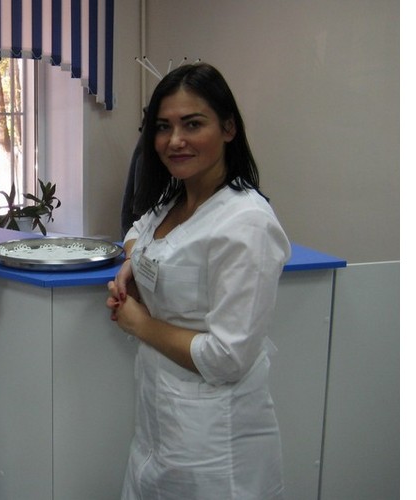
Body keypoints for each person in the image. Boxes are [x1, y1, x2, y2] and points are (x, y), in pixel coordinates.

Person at [106, 62, 291, 499]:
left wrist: (139, 324)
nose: (175, 140)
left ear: (228, 128)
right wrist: (134, 261)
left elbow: (228, 357)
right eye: (163, 127)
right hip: (159, 424)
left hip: (215, 441)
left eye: (192, 124)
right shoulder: (175, 197)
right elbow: (138, 231)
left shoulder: (246, 222)